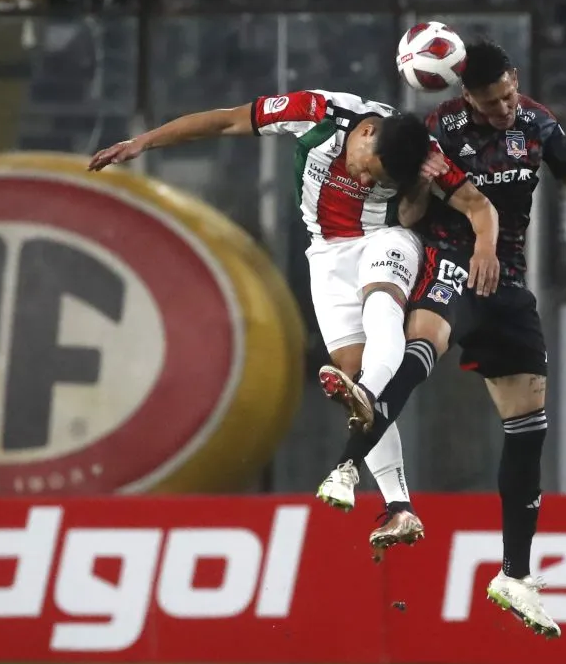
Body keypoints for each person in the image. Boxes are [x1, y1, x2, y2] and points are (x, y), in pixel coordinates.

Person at [317, 40, 566, 638]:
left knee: (529, 426)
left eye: (509, 95)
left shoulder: (539, 122)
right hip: (451, 260)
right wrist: (424, 183)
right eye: (491, 103)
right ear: (467, 96)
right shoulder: (440, 130)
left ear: (516, 79)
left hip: (510, 282)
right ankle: (344, 468)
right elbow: (411, 217)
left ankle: (513, 576)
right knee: (422, 350)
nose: (504, 110)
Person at [88, 89, 500, 551]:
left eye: (376, 178)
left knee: (382, 306)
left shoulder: (423, 155)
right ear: (365, 133)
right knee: (351, 370)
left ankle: (370, 395)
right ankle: (400, 507)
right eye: (367, 165)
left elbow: (475, 205)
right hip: (326, 253)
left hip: (386, 238)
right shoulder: (318, 113)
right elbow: (226, 120)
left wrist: (479, 241)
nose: (363, 177)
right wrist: (144, 142)